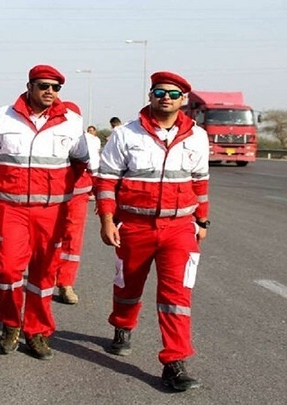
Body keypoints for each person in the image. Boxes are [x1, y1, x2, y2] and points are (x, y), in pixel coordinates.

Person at [96, 71, 210, 391]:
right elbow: (106, 180)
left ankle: (174, 362)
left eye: (173, 94)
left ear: (183, 100)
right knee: (128, 285)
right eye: (160, 92)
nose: (166, 98)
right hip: (134, 225)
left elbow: (200, 182)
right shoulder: (125, 135)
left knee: (176, 297)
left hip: (179, 228)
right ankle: (122, 325)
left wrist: (202, 221)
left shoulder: (197, 136)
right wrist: (106, 220)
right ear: (150, 96)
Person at [0, 65, 89, 360]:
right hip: (12, 211)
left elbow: (80, 164)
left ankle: (37, 331)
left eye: (56, 87)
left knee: (44, 273)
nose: (50, 91)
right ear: (29, 86)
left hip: (52, 212)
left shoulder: (72, 122)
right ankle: (11, 324)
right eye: (43, 85)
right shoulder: (1, 117)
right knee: (8, 270)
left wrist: (66, 197)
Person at [54, 124, 101, 304]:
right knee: (50, 237)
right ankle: (47, 274)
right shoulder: (47, 135)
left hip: (78, 194)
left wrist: (100, 197)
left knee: (72, 239)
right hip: (51, 195)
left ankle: (66, 283)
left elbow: (96, 169)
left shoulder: (90, 140)